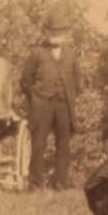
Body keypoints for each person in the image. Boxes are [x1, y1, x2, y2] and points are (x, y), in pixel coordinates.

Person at [22, 28, 82, 189]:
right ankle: (35, 183)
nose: (56, 35)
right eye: (52, 32)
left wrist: (68, 96)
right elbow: (25, 81)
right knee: (38, 144)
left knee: (63, 144)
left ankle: (60, 182)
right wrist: (35, 99)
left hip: (64, 105)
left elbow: (78, 82)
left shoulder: (71, 54)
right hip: (42, 105)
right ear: (46, 34)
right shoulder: (37, 53)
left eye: (60, 32)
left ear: (65, 34)